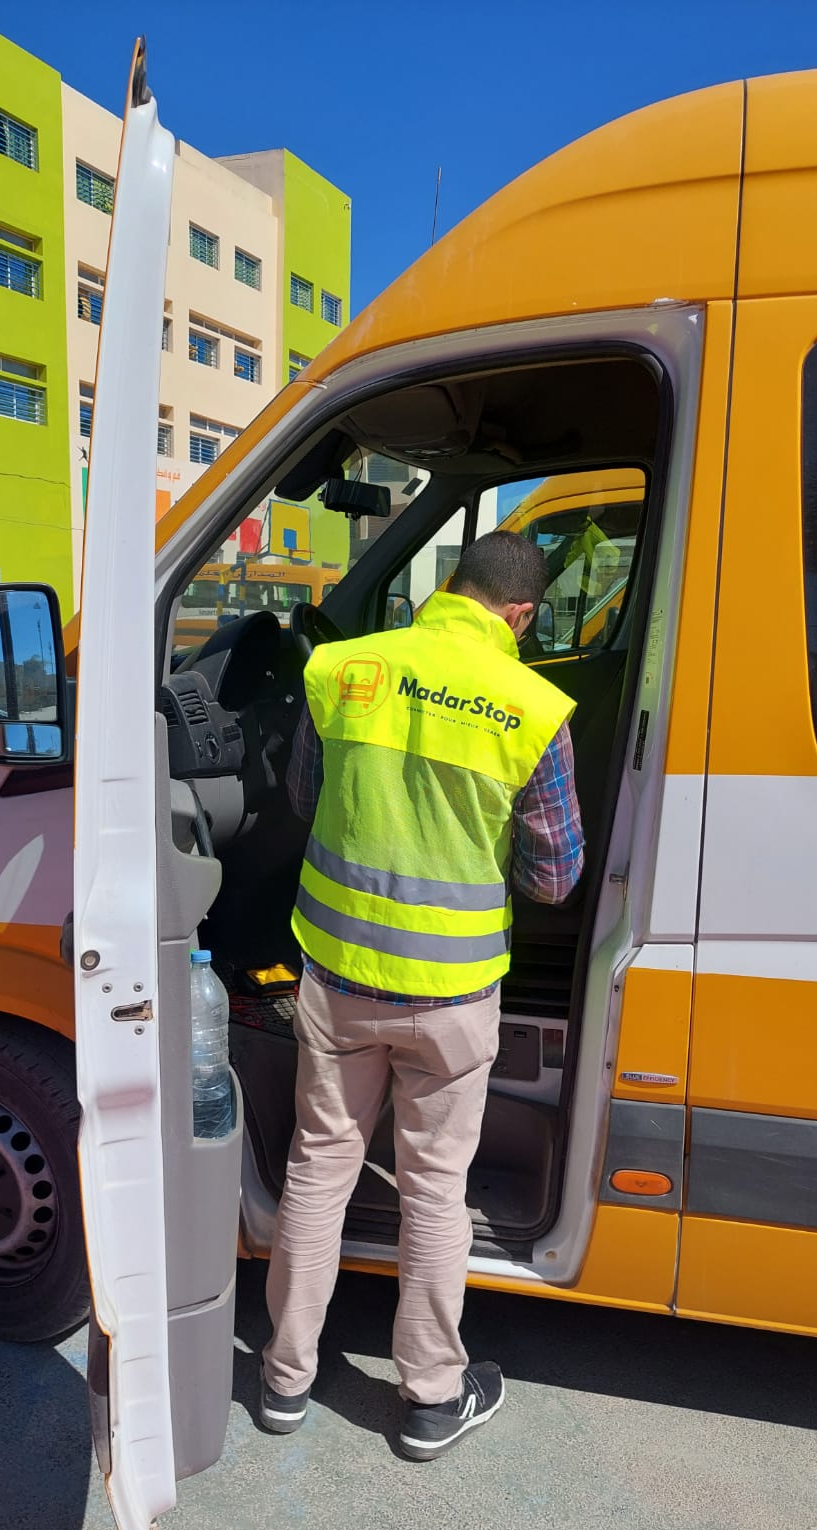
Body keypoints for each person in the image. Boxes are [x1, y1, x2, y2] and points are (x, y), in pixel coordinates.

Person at [260, 531, 584, 1460]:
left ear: (453, 587)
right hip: (449, 995)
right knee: (435, 1191)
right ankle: (433, 1398)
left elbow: (300, 794)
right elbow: (556, 877)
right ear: (519, 613)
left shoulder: (345, 667)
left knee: (320, 1166)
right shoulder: (532, 708)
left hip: (336, 976)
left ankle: (285, 1379)